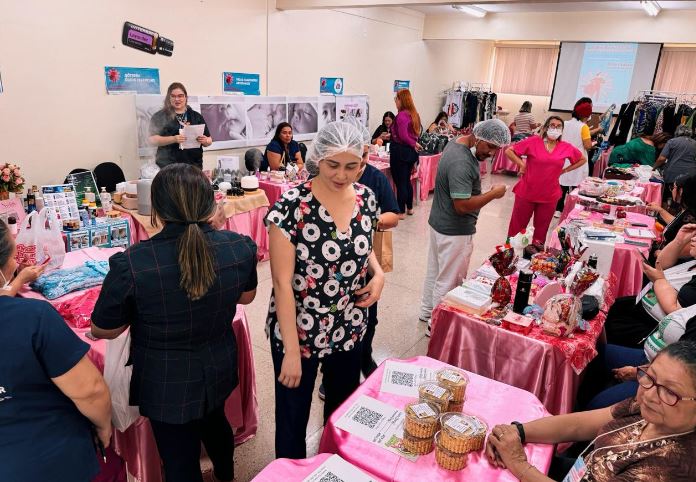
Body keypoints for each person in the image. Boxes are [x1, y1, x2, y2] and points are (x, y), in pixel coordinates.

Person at [91, 164, 258, 482]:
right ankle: (226, 474)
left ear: (155, 208)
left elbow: (103, 328)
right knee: (216, 423)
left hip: (165, 380)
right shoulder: (238, 248)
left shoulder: (133, 264)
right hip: (218, 364)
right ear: (210, 203)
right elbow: (246, 298)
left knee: (179, 457)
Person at [265, 121, 385, 459]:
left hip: (348, 325)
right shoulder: (291, 206)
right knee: (292, 420)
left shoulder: (366, 198)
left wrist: (377, 275)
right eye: (333, 164)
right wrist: (291, 351)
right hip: (298, 330)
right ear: (318, 157)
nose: (342, 175)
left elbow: (362, 246)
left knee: (340, 414)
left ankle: (333, 468)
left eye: (352, 166)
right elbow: (281, 283)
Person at [0, 220, 113, 482]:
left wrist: (15, 285)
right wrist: (104, 425)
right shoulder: (33, 319)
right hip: (47, 457)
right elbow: (90, 390)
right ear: (7, 264)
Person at [487, 340, 696, 481]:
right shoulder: (647, 406)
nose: (650, 395)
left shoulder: (671, 468)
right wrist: (518, 431)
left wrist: (519, 464)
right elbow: (580, 425)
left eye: (670, 391)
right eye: (649, 376)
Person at [419, 119, 510, 334]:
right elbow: (461, 206)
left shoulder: (456, 143)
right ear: (478, 138)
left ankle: (426, 311)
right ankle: (437, 325)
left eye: (496, 149)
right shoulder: (462, 163)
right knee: (448, 279)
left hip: (439, 223)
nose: (492, 153)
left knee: (434, 272)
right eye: (490, 147)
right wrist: (492, 194)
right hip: (454, 229)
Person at [605, 223, 696, 349]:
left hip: (652, 326)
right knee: (608, 308)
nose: (693, 238)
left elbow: (675, 308)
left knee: (609, 325)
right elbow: (661, 263)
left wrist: (658, 279)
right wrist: (679, 240)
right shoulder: (692, 260)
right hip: (643, 306)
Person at [506, 116, 587, 245]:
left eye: (558, 126)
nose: (555, 128)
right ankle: (509, 253)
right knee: (517, 227)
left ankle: (534, 256)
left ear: (562, 130)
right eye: (552, 125)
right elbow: (509, 151)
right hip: (526, 191)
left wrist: (565, 170)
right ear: (546, 127)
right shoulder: (533, 141)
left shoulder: (565, 147)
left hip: (549, 195)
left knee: (541, 231)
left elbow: (582, 159)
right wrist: (522, 164)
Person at [149, 82, 213, 169]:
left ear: (185, 97)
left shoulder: (196, 116)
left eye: (180, 96)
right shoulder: (160, 116)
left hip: (193, 167)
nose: (177, 99)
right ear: (169, 98)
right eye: (173, 96)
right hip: (168, 167)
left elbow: (209, 140)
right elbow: (152, 140)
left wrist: (205, 140)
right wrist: (174, 139)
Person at [556, 98, 594, 215]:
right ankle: (572, 210)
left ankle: (558, 209)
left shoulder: (564, 124)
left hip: (564, 158)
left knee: (562, 184)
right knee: (575, 186)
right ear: (586, 116)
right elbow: (587, 146)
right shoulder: (584, 127)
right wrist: (593, 144)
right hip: (578, 160)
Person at [390, 89, 423, 218]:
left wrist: (413, 143)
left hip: (400, 152)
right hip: (409, 153)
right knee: (406, 181)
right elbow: (411, 134)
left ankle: (400, 211)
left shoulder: (402, 115)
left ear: (401, 100)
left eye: (396, 100)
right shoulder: (414, 114)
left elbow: (403, 136)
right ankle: (409, 208)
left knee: (400, 182)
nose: (395, 103)